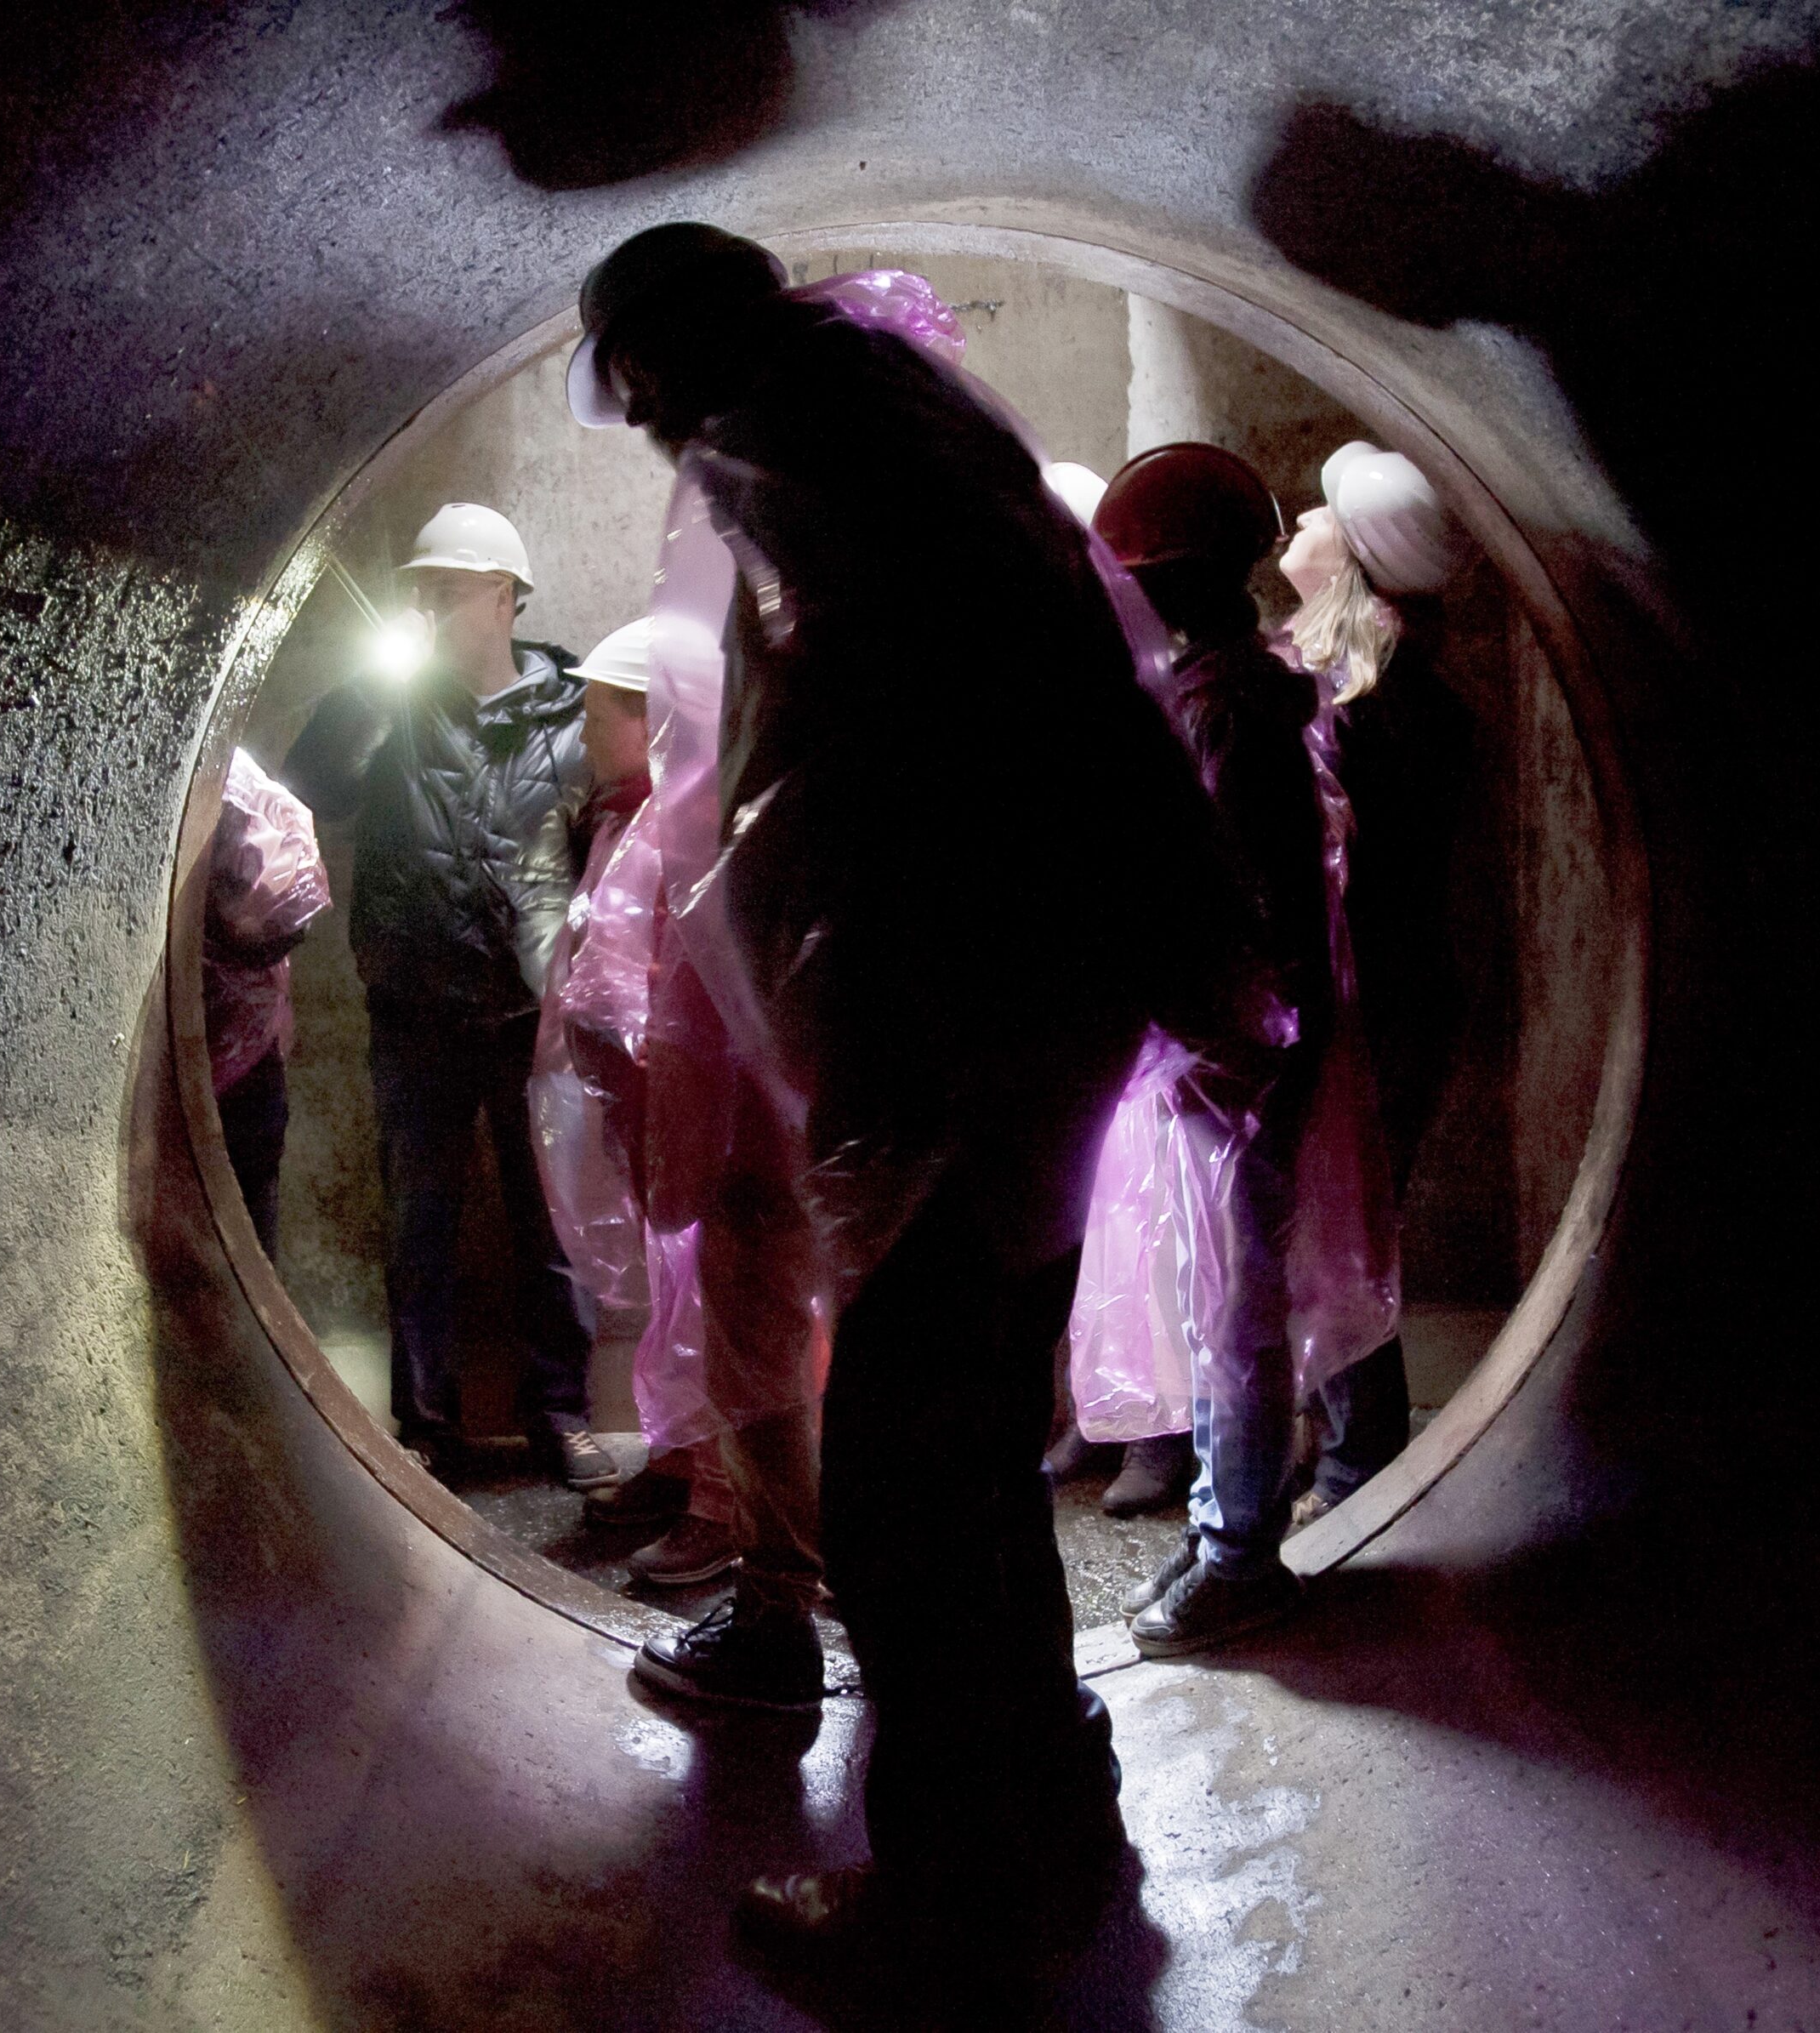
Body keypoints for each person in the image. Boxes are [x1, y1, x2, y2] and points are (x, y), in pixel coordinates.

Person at [568, 226, 1243, 1981]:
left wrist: (844, 1028)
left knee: (903, 1490)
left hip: (968, 1024)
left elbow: (878, 774)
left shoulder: (818, 452)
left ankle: (949, 1907)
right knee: (966, 1462)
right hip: (1039, 1008)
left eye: (648, 403)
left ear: (685, 358)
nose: (658, 443)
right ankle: (1052, 1805)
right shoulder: (902, 420)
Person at [281, 504, 612, 1489]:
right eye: (417, 591)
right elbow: (310, 798)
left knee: (549, 1223)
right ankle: (425, 1425)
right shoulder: (387, 702)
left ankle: (561, 1414)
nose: (425, 608)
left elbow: (618, 838)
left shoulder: (576, 709)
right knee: (417, 1226)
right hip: (417, 1010)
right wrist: (365, 707)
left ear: (507, 597)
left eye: (447, 590)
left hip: (534, 1018)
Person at [530, 618, 827, 1706]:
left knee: (754, 1373)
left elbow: (622, 1013)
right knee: (823, 1364)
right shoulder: (799, 792)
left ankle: (775, 1605)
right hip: (831, 1147)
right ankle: (844, 1582)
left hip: (747, 1158)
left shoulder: (687, 823)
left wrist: (665, 1151)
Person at [1089, 443, 1351, 1656]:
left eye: (1138, 575)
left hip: (1237, 1052)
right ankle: (1221, 1521)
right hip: (1234, 1045)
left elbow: (1241, 899)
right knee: (1212, 1298)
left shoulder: (1229, 705)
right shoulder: (1226, 686)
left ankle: (1241, 1552)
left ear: (1179, 580)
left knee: (1236, 1306)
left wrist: (1220, 1034)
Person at [1273, 441, 1471, 1529]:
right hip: (1377, 993)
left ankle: (1358, 1469)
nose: (1299, 516)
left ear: (1349, 554)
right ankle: (1336, 1447)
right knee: (1332, 1227)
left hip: (1372, 1001)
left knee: (1345, 1231)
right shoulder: (1366, 690)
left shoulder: (1368, 709)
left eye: (1321, 509)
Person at [202, 749, 331, 1260]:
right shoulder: (226, 787)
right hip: (228, 1049)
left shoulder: (244, 797)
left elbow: (289, 898)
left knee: (250, 1231)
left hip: (248, 1059)